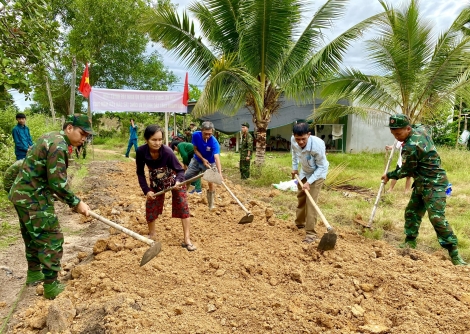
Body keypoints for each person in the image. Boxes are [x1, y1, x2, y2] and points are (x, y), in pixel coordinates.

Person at [8, 114, 93, 299]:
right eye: (82, 133)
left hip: (20, 195)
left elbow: (22, 167)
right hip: (33, 198)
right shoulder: (59, 146)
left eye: (87, 135)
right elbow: (58, 184)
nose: (84, 138)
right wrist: (77, 203)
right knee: (51, 238)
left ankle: (34, 274)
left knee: (32, 236)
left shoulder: (49, 136)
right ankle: (51, 286)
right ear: (69, 128)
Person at [381, 114, 466, 265]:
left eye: (399, 134)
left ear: (408, 129)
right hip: (421, 183)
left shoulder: (411, 146)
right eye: (393, 134)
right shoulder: (421, 130)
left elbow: (405, 171)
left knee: (437, 218)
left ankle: (454, 254)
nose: (397, 137)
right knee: (412, 212)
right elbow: (424, 125)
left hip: (435, 184)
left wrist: (389, 175)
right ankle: (410, 242)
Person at [136, 125, 196, 251]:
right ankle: (152, 234)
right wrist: (147, 190)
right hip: (156, 182)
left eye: (160, 139)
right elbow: (140, 173)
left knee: (182, 205)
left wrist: (178, 182)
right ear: (147, 139)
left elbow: (180, 170)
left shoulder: (167, 152)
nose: (157, 143)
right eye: (154, 140)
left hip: (174, 180)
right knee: (151, 204)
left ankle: (187, 239)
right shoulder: (141, 151)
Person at [291, 122, 329, 244]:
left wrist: (309, 182)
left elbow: (322, 166)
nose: (300, 142)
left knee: (311, 202)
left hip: (318, 174)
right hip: (304, 171)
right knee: (301, 197)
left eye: (303, 139)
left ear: (309, 134)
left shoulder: (317, 146)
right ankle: (299, 224)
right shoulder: (294, 140)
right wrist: (295, 167)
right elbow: (294, 153)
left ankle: (311, 233)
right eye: (298, 139)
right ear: (294, 136)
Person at [184, 121, 223, 210]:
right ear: (201, 130)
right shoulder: (195, 135)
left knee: (211, 182)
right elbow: (195, 149)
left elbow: (217, 158)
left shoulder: (214, 142)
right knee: (186, 178)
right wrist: (202, 159)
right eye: (205, 134)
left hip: (210, 163)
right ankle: (183, 199)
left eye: (210, 134)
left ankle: (211, 205)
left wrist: (220, 173)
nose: (207, 136)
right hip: (196, 160)